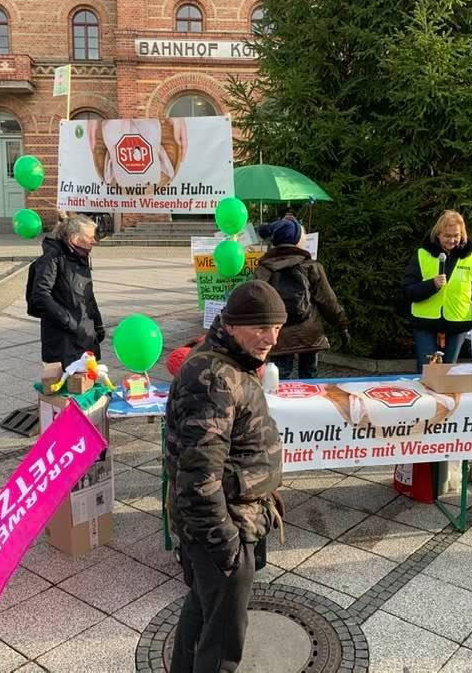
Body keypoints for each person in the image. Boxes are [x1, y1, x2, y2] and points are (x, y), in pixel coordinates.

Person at [165, 280, 286, 672]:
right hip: (223, 526)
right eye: (260, 327)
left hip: (234, 517)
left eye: (277, 328)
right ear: (232, 325)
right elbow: (198, 474)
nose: (270, 338)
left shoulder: (231, 361)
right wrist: (225, 544)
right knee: (222, 644)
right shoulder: (215, 377)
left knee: (204, 610)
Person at [254, 216, 349, 379]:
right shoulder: (312, 267)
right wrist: (342, 325)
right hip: (310, 333)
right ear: (297, 240)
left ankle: (280, 404)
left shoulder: (264, 269)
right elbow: (328, 301)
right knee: (309, 377)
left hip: (277, 334)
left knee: (278, 378)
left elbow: (256, 301)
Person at [403, 210, 472, 371]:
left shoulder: (471, 259)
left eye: (456, 236)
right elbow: (407, 291)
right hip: (425, 323)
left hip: (457, 325)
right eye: (447, 236)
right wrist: (431, 285)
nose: (452, 240)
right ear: (438, 234)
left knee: (448, 372)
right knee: (428, 371)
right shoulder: (421, 255)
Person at [32, 214, 105, 369]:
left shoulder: (81, 257)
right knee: (67, 388)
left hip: (85, 335)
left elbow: (88, 297)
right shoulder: (52, 258)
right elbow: (40, 295)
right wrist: (68, 321)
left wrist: (98, 325)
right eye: (90, 237)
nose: (94, 241)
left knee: (87, 386)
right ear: (74, 238)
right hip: (62, 339)